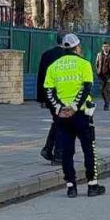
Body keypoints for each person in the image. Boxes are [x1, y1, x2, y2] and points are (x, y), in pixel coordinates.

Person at [43, 34, 105, 198]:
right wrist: (75, 106)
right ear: (77, 47)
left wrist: (59, 108)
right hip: (82, 114)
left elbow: (48, 92)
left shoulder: (53, 66)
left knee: (66, 151)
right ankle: (92, 185)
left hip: (62, 117)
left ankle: (71, 187)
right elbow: (86, 88)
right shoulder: (84, 64)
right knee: (88, 149)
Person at [35, 36, 68, 164]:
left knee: (58, 122)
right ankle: (58, 155)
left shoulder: (47, 54)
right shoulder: (68, 57)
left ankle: (48, 149)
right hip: (63, 96)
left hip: (49, 96)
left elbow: (41, 77)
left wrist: (41, 99)